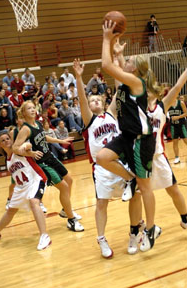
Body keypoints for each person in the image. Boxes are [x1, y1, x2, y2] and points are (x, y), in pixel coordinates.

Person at [96, 20, 160, 252]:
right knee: (102, 157)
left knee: (146, 187)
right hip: (126, 136)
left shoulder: (136, 83)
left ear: (136, 69)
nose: (126, 61)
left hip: (141, 140)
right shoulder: (125, 83)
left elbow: (106, 65)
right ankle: (129, 178)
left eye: (129, 61)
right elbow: (114, 65)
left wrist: (106, 37)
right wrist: (116, 48)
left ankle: (151, 228)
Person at [73, 58, 133, 258]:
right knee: (101, 204)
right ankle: (101, 239)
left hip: (121, 161)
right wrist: (79, 77)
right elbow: (82, 100)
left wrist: (118, 66)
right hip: (102, 169)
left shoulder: (111, 114)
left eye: (98, 99)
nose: (96, 101)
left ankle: (137, 228)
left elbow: (120, 91)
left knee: (137, 194)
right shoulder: (90, 120)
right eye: (92, 100)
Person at [128, 68, 187, 254]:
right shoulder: (137, 106)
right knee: (137, 195)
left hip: (158, 156)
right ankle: (137, 229)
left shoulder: (162, 106)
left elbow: (178, 86)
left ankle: (185, 219)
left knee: (173, 189)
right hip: (139, 156)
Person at [12, 100, 84, 231]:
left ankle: (65, 210)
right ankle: (71, 219)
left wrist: (60, 141)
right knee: (64, 186)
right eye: (29, 108)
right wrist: (32, 153)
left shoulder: (38, 123)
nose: (33, 110)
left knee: (69, 180)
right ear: (23, 112)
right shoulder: (25, 129)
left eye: (34, 107)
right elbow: (15, 148)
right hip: (42, 163)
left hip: (50, 157)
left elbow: (44, 137)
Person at [0, 131, 51, 251]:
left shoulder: (19, 150)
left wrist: (26, 148)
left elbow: (27, 145)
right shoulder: (7, 159)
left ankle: (44, 236)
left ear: (12, 140)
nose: (6, 141)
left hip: (36, 180)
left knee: (34, 202)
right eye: (3, 140)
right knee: (10, 210)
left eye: (8, 138)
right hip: (21, 187)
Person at [168, 96, 187, 164]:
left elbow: (186, 113)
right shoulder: (168, 104)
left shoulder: (180, 103)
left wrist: (177, 117)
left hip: (181, 125)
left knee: (185, 140)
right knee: (175, 142)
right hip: (173, 126)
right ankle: (177, 158)